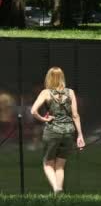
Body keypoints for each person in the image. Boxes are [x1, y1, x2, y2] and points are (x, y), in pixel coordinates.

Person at [31, 67, 86, 195]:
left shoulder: (46, 92)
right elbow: (75, 115)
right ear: (62, 77)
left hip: (53, 131)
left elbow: (33, 111)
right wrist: (80, 135)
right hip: (69, 132)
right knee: (60, 164)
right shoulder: (70, 92)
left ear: (49, 78)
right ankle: (59, 193)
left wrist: (44, 120)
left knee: (48, 163)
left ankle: (56, 189)